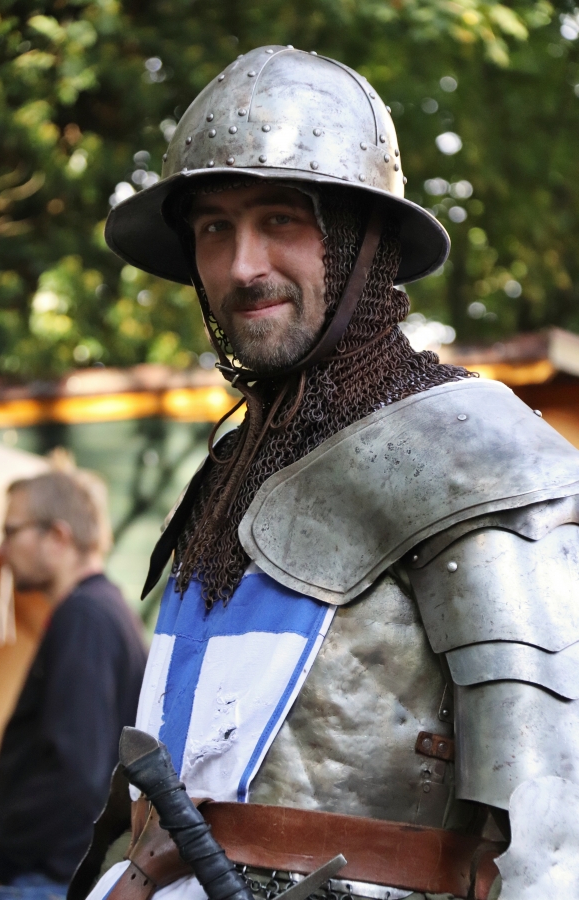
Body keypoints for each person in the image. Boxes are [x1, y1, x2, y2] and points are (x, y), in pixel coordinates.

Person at [82, 46, 579, 900]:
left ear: (362, 239)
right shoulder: (234, 467)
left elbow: (556, 828)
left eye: (280, 219)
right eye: (214, 228)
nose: (243, 266)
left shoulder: (472, 458)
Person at [0, 470, 147, 898]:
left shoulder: (86, 618)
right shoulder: (99, 611)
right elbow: (35, 760)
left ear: (57, 536)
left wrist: (2, 865)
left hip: (42, 879)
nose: (1, 548)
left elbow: (75, 777)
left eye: (11, 530)